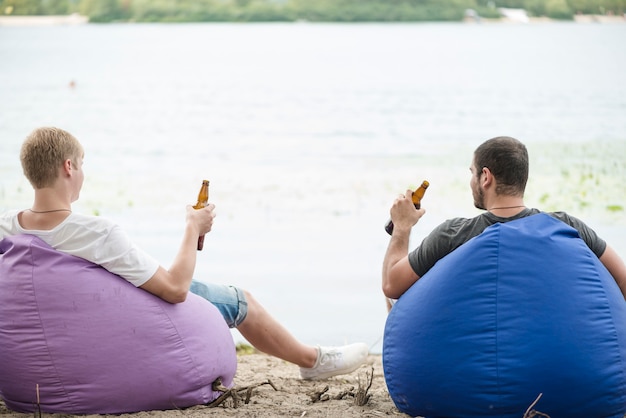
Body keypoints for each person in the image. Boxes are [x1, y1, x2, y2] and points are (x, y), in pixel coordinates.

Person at [0, 126, 368, 380]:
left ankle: (310, 356)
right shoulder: (96, 231)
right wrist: (193, 228)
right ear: (69, 167)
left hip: (61, 337)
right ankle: (311, 360)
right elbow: (175, 289)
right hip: (127, 320)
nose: (82, 174)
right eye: (82, 166)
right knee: (238, 300)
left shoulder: (7, 228)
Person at [382, 135, 626, 304]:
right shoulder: (568, 227)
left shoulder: (453, 235)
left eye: (472, 173)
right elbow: (622, 278)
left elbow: (391, 286)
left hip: (470, 369)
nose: (471, 181)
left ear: (485, 177)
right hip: (556, 365)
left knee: (398, 296)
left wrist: (402, 227)